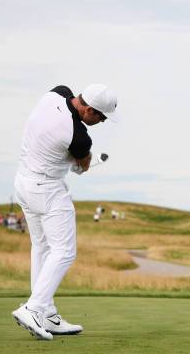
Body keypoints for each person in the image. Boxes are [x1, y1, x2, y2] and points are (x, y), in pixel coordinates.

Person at [12, 84, 118, 340]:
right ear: (90, 110)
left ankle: (46, 314)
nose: (101, 122)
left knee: (42, 248)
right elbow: (82, 165)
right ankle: (34, 308)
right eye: (101, 117)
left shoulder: (57, 93)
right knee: (64, 251)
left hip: (23, 183)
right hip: (47, 189)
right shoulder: (80, 137)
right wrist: (85, 160)